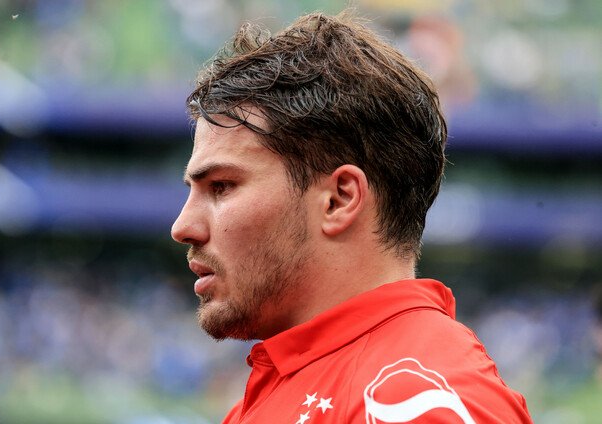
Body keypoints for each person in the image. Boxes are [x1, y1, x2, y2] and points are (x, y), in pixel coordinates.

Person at [171, 10, 533, 424]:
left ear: (339, 199)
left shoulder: (411, 401)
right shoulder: (283, 387)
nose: (182, 227)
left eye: (221, 186)